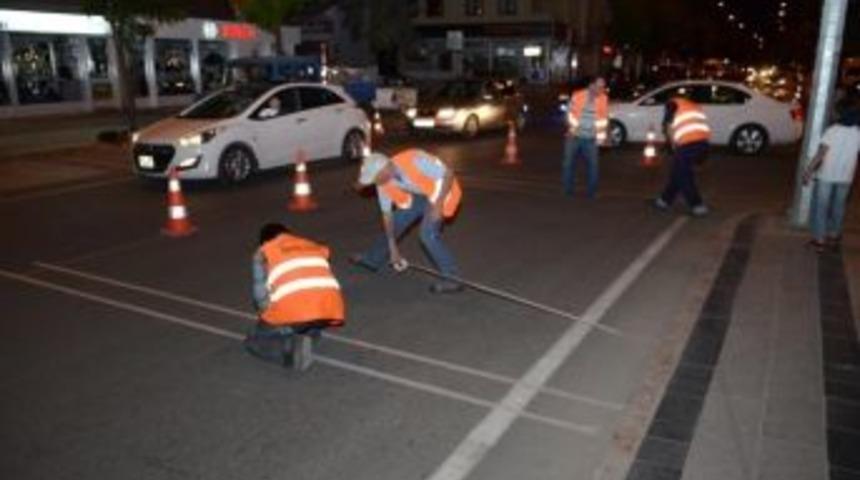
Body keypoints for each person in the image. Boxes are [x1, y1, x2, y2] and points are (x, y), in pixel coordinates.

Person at [351, 149, 464, 294]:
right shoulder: (383, 183)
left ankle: (453, 279)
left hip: (442, 190)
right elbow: (387, 216)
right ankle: (373, 259)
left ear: (385, 169)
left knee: (427, 235)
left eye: (375, 178)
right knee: (395, 222)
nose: (375, 183)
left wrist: (438, 204)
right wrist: (393, 249)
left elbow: (449, 173)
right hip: (421, 194)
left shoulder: (414, 160)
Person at [244, 223, 345, 365]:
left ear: (264, 242)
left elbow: (261, 299)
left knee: (254, 340)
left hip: (296, 313)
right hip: (328, 309)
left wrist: (265, 316)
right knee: (304, 320)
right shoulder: (312, 246)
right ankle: (309, 333)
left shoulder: (264, 252)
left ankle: (291, 352)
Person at [803, 104, 860, 253]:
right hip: (846, 177)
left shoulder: (833, 131)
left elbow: (821, 153)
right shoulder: (857, 133)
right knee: (839, 206)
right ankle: (834, 235)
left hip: (827, 175)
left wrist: (808, 170)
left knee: (821, 207)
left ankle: (819, 240)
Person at [652, 97, 711, 216]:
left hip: (688, 144)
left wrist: (672, 145)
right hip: (703, 144)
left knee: (684, 176)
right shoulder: (694, 106)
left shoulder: (671, 104)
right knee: (677, 172)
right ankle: (664, 201)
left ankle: (697, 205)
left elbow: (668, 126)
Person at [562, 76, 609, 198]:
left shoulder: (603, 99)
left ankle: (591, 193)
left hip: (591, 139)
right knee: (568, 164)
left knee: (594, 166)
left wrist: (601, 139)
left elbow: (603, 120)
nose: (602, 89)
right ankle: (568, 191)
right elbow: (569, 114)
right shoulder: (577, 96)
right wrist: (572, 129)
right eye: (599, 86)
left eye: (603, 87)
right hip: (574, 137)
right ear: (591, 86)